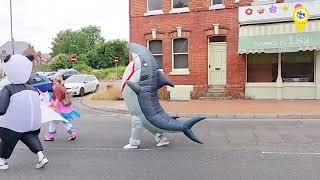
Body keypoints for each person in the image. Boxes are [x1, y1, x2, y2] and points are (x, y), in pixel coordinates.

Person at [0, 54, 48, 170]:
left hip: (13, 126)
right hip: (31, 125)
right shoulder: (32, 89)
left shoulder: (8, 88)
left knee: (7, 141)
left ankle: (1, 161)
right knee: (31, 137)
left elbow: (2, 109)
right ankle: (41, 157)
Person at [44, 74, 80, 141]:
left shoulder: (56, 87)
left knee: (54, 121)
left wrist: (53, 105)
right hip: (63, 106)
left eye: (53, 79)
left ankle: (50, 136)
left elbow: (58, 98)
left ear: (56, 80)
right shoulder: (62, 86)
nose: (52, 81)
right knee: (64, 120)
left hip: (59, 107)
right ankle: (72, 132)